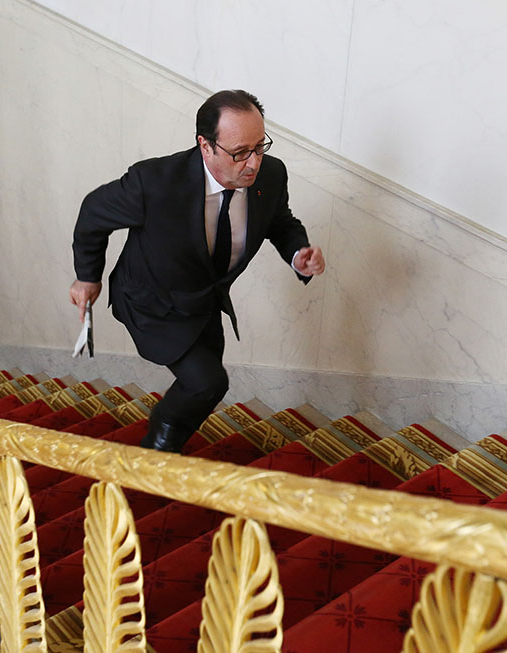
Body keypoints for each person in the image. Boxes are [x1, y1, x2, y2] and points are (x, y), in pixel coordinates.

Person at [69, 89, 325, 454]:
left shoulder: (271, 175)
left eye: (259, 146)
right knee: (208, 382)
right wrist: (88, 276)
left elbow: (280, 222)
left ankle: (168, 440)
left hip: (203, 301)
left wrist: (298, 252)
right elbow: (94, 212)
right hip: (151, 301)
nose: (253, 163)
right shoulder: (154, 182)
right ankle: (156, 451)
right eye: (239, 153)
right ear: (206, 146)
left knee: (204, 382)